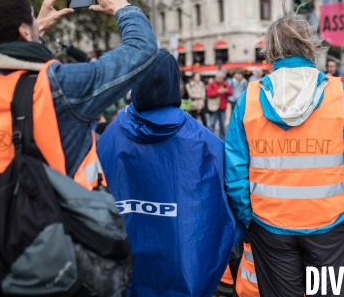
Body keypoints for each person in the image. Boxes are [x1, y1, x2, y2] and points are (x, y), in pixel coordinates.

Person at [0, 0, 158, 207]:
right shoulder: (58, 86)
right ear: (25, 31)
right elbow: (142, 49)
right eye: (32, 16)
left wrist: (34, 33)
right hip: (51, 232)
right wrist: (123, 8)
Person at [225, 5, 344, 297]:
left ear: (271, 49)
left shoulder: (250, 98)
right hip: (332, 223)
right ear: (310, 45)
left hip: (269, 224)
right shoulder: (339, 93)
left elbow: (235, 170)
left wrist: (249, 217)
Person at [97, 50, 240, 297]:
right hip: (186, 271)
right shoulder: (203, 140)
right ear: (176, 83)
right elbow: (231, 201)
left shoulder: (111, 134)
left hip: (125, 270)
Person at [207, 71, 232, 139]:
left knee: (222, 125)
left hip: (222, 107)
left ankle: (223, 139)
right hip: (213, 107)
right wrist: (218, 92)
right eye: (219, 77)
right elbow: (209, 94)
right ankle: (210, 138)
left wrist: (227, 91)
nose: (220, 79)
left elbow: (231, 92)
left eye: (221, 77)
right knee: (212, 124)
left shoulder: (226, 84)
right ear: (216, 77)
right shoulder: (212, 84)